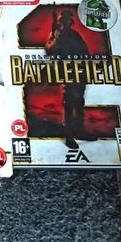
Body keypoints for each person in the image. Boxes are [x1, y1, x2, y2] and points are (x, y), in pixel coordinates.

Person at [45, 9, 90, 149]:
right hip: (66, 72)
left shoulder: (75, 35)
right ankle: (69, 136)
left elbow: (85, 51)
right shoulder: (55, 34)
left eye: (68, 21)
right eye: (64, 20)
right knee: (69, 104)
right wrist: (57, 39)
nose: (66, 23)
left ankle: (79, 131)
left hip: (78, 71)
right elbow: (49, 50)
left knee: (79, 102)